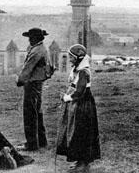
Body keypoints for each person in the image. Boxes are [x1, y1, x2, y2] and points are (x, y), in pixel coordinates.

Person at [56, 44, 101, 173]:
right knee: (76, 133)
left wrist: (67, 98)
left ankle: (84, 163)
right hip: (79, 105)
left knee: (81, 133)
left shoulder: (83, 71)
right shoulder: (78, 69)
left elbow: (80, 91)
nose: (69, 59)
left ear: (78, 57)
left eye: (71, 57)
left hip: (83, 106)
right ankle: (80, 161)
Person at [16, 27, 51, 151]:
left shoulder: (36, 51)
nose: (29, 40)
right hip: (38, 83)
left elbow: (27, 68)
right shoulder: (42, 48)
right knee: (37, 112)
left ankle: (31, 144)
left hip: (32, 83)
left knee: (30, 113)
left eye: (31, 38)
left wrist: (20, 80)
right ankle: (41, 141)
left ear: (36, 38)